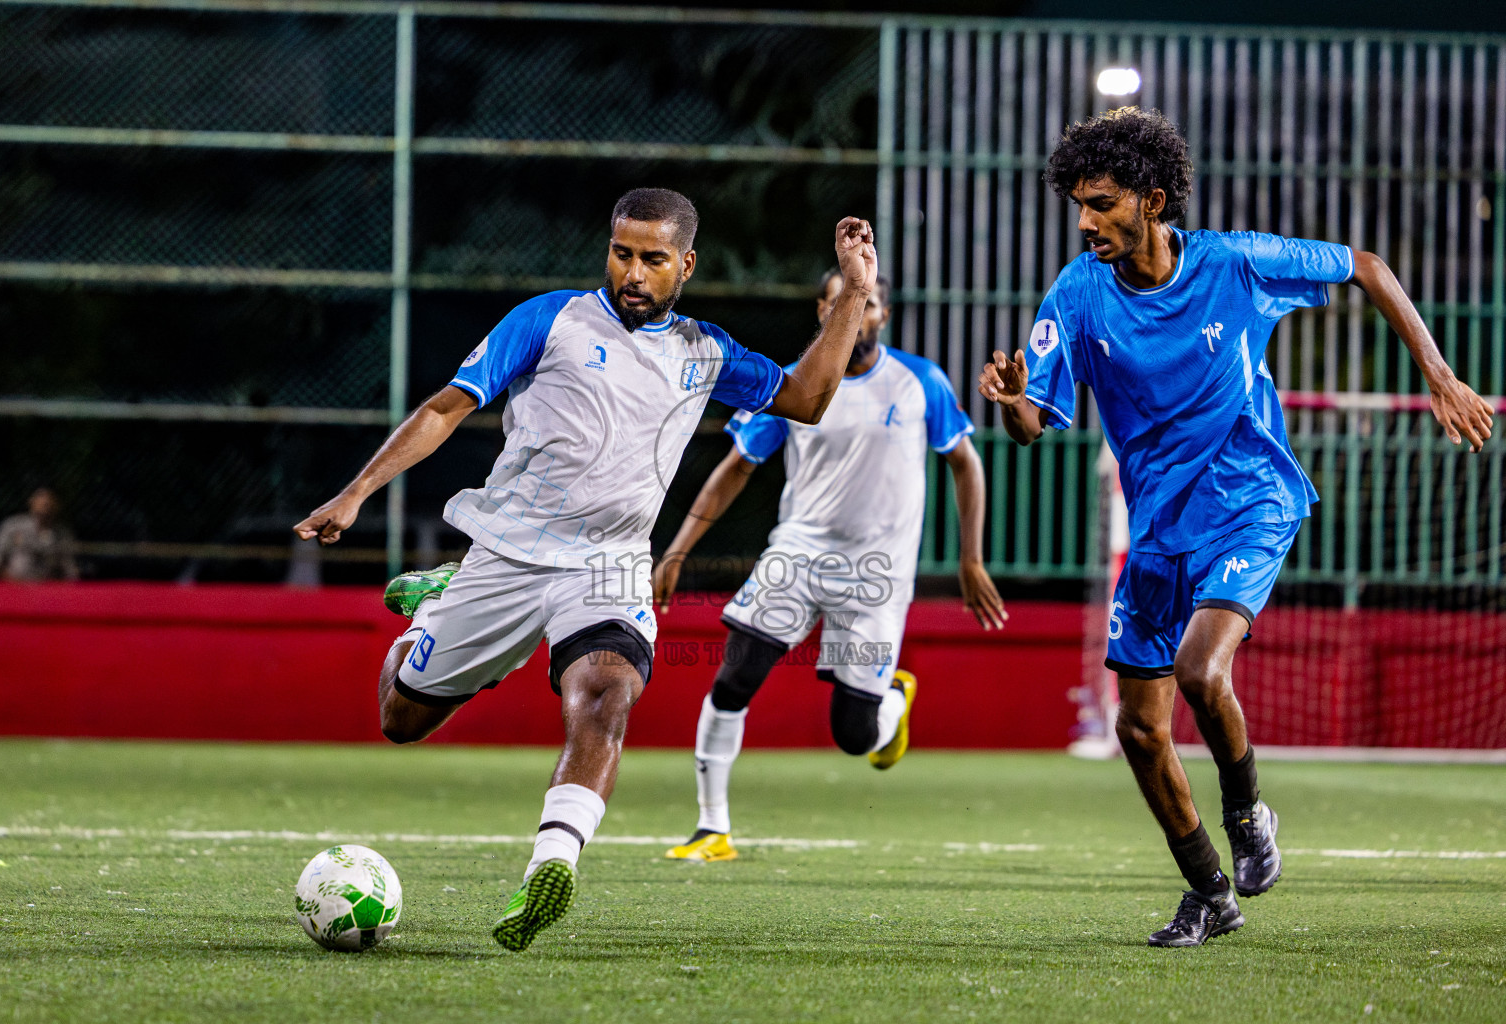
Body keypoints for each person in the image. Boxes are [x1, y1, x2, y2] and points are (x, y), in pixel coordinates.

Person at [294, 188, 879, 952]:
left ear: (687, 265)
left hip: (608, 564)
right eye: (622, 253)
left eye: (653, 259)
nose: (633, 272)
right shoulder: (552, 319)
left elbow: (807, 397)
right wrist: (355, 491)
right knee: (400, 719)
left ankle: (552, 864)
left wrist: (856, 292)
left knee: (606, 692)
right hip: (507, 553)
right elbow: (445, 407)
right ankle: (432, 610)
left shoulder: (706, 353)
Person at [979, 108, 1494, 947]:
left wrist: (1438, 374)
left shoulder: (1235, 263)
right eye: (1077, 203)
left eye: (1101, 203)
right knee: (1138, 730)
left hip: (1251, 502)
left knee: (1197, 667)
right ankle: (1210, 895)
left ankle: (1249, 811)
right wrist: (1009, 404)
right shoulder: (1076, 292)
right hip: (1157, 533)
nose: (1084, 221)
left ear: (1152, 201)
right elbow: (1037, 420)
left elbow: (1364, 264)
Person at [654, 267, 1007, 863]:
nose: (858, 312)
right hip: (797, 554)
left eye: (867, 303)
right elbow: (736, 467)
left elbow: (965, 464)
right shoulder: (793, 386)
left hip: (876, 575)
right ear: (823, 311)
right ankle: (711, 827)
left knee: (853, 736)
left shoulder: (920, 382)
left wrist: (971, 558)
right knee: (734, 677)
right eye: (843, 301)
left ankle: (892, 699)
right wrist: (679, 549)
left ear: (883, 315)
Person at [0, 487, 78, 582]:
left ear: (57, 506)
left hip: (46, 589)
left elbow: (69, 569)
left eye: (49, 502)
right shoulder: (14, 526)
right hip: (13, 586)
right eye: (41, 501)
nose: (45, 505)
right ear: (31, 501)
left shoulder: (61, 534)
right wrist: (9, 579)